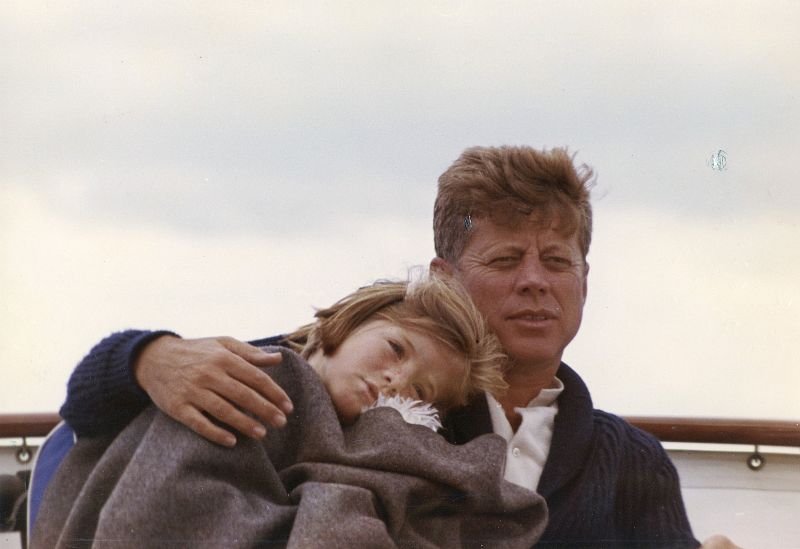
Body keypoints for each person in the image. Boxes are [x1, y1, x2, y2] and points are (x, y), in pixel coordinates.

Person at [58, 146, 740, 547]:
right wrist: (149, 356)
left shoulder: (632, 464)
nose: (535, 282)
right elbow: (91, 406)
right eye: (505, 260)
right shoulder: (352, 379)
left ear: (585, 282)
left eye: (558, 261)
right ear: (444, 280)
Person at [33, 275, 547, 548]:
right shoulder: (250, 370)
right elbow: (87, 410)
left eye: (422, 391)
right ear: (345, 323)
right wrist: (144, 355)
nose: (398, 381)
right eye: (395, 349)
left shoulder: (387, 442)